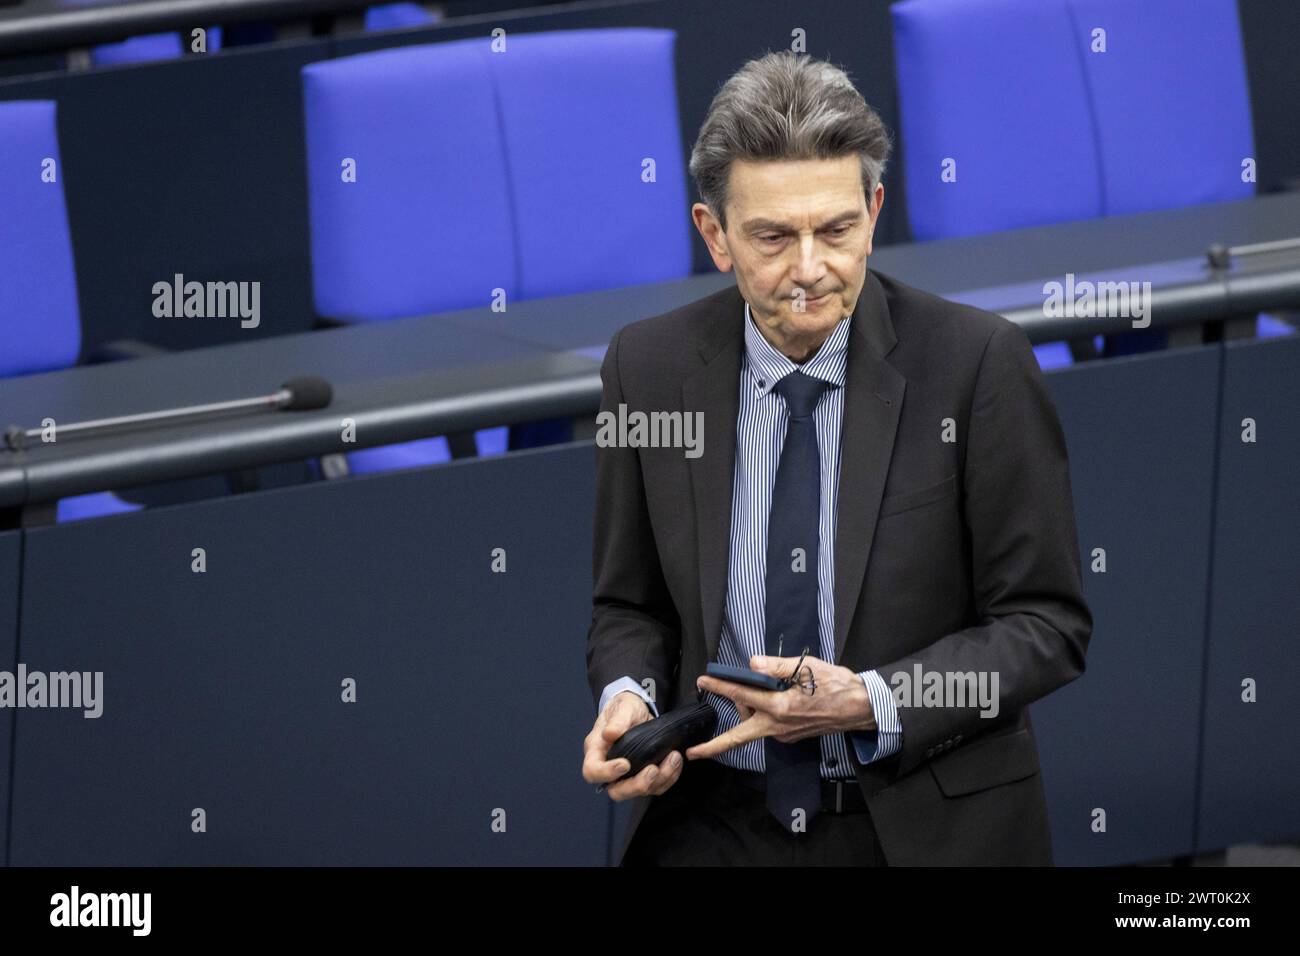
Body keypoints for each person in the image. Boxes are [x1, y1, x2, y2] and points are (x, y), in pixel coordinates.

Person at [581, 50, 1092, 866]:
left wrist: (872, 701)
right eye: (774, 237)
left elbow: (1046, 627)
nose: (811, 271)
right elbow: (629, 605)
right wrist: (628, 699)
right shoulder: (645, 370)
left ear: (875, 208)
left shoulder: (977, 364)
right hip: (714, 824)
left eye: (837, 230)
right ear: (714, 234)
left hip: (918, 827)